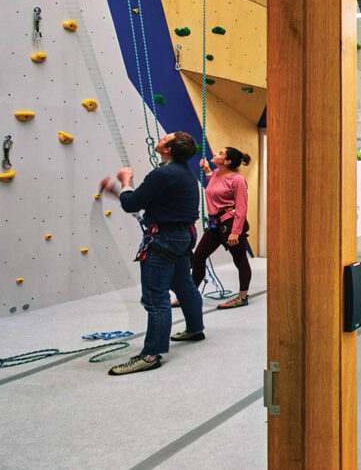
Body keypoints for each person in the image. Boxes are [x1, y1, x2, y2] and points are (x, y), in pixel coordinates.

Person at [102, 132, 205, 375]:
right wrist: (120, 190)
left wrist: (124, 181)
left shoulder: (164, 174)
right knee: (183, 284)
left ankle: (150, 355)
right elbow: (146, 200)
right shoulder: (184, 173)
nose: (161, 138)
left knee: (155, 297)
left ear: (168, 150)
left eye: (165, 138)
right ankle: (194, 328)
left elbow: (131, 204)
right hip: (182, 236)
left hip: (164, 238)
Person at [191, 146, 252, 309]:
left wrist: (236, 232)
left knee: (240, 260)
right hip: (215, 224)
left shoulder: (237, 180)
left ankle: (242, 297)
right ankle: (189, 295)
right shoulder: (217, 174)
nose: (215, 154)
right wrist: (207, 171)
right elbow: (216, 188)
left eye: (220, 153)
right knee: (198, 257)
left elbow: (241, 208)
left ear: (227, 161)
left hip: (230, 224)